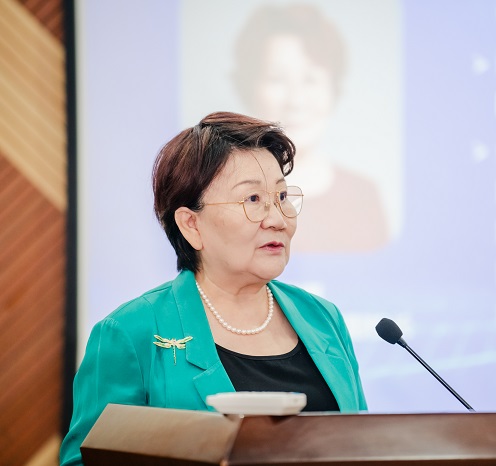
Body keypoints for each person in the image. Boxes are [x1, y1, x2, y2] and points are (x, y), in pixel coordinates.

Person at [60, 112, 367, 466]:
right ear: (191, 224)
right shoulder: (130, 332)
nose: (278, 219)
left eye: (282, 196)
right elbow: (85, 460)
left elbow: (365, 447)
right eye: (253, 199)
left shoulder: (323, 319)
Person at [232, 3, 390, 252]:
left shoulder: (363, 197)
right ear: (249, 88)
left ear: (333, 90)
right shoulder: (225, 195)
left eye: (310, 79)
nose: (296, 101)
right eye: (276, 79)